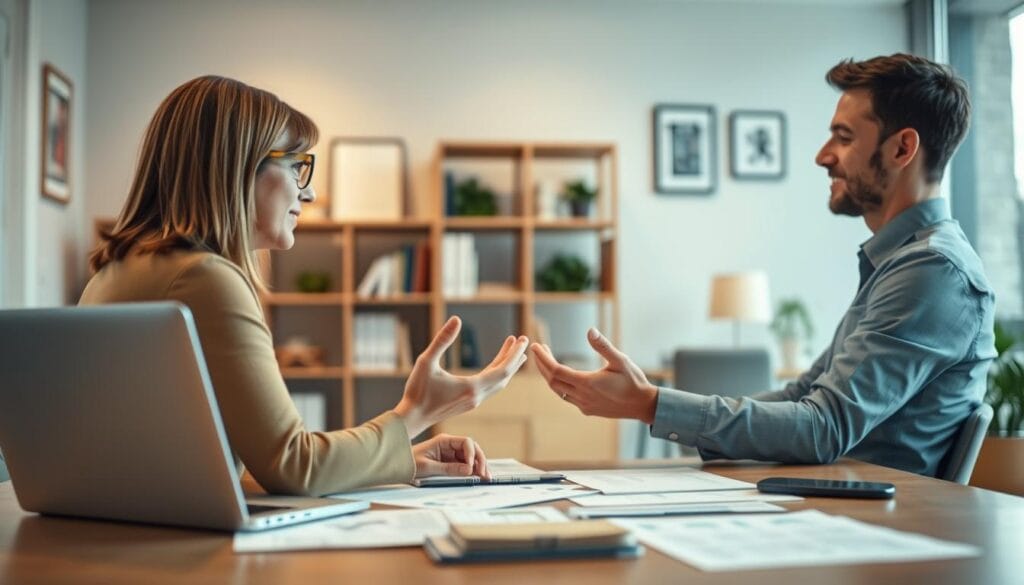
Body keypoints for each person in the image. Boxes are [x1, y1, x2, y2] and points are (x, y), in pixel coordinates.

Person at [531, 53, 996, 477]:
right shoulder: (900, 261)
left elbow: (823, 427)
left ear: (901, 149)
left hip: (882, 524)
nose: (822, 156)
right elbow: (802, 398)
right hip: (841, 501)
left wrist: (652, 404)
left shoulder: (933, 271)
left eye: (844, 136)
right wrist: (657, 406)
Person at [81, 76, 529, 496]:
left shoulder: (111, 275)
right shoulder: (206, 279)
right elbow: (295, 466)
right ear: (237, 168)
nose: (308, 194)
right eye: (297, 167)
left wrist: (398, 460)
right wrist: (417, 412)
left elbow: (241, 468)